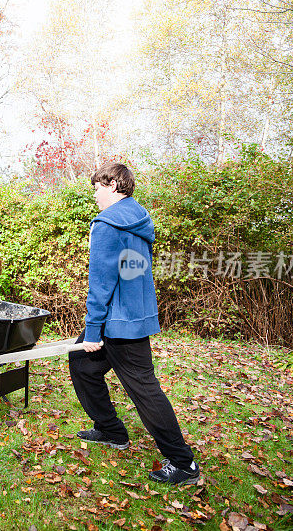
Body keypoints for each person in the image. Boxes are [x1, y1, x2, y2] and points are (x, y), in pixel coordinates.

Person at [69, 162, 199, 485]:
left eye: (98, 187)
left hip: (118, 324)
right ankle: (112, 430)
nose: (95, 194)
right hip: (133, 317)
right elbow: (134, 271)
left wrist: (94, 331)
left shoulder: (106, 224)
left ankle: (183, 463)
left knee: (145, 390)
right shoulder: (139, 220)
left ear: (113, 186)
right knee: (82, 363)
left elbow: (100, 284)